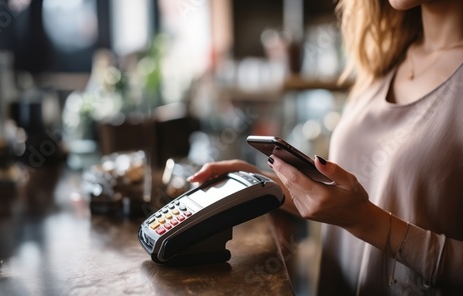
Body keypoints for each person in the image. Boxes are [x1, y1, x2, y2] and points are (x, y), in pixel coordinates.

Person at [188, 0, 463, 294]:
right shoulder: (388, 57)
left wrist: (366, 221)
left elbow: (364, 215)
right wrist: (262, 184)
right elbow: (352, 204)